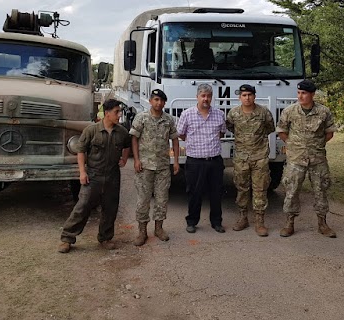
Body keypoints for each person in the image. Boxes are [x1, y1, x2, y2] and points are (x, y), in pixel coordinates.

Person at [58, 99, 131, 253]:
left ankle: (105, 238)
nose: (119, 115)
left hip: (112, 177)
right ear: (107, 113)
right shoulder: (91, 130)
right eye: (116, 112)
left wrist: (124, 159)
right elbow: (81, 151)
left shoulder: (121, 131)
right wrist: (82, 172)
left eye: (120, 112)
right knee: (82, 207)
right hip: (93, 176)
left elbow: (127, 145)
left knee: (110, 208)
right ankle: (67, 238)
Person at [276, 79, 337, 238]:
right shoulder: (290, 111)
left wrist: (316, 145)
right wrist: (292, 144)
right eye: (299, 93)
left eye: (304, 93)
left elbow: (329, 133)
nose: (300, 96)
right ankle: (289, 224)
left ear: (312, 94)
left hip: (317, 159)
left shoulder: (323, 112)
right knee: (292, 190)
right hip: (296, 159)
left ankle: (322, 224)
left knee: (321, 190)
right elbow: (282, 130)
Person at [129, 89, 180, 246]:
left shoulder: (168, 120)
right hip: (145, 166)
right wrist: (136, 160)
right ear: (150, 101)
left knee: (162, 199)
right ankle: (142, 231)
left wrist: (176, 161)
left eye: (161, 100)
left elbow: (175, 140)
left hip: (163, 166)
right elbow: (134, 138)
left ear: (165, 102)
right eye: (156, 99)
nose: (159, 103)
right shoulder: (142, 118)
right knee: (143, 200)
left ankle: (159, 229)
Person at [226, 84, 275, 237]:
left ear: (254, 96)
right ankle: (243, 217)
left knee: (260, 189)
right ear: (239, 97)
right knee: (242, 188)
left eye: (250, 95)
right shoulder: (233, 113)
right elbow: (231, 127)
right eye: (244, 95)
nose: (247, 98)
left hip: (259, 157)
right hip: (241, 158)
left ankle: (260, 221)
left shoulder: (263, 112)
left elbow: (270, 128)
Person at [177, 83, 226, 233]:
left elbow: (222, 133)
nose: (206, 99)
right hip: (195, 161)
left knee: (216, 193)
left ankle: (216, 222)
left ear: (212, 98)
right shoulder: (187, 114)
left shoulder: (219, 114)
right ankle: (191, 221)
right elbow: (181, 133)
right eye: (203, 96)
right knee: (194, 193)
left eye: (208, 96)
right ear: (197, 97)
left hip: (214, 161)